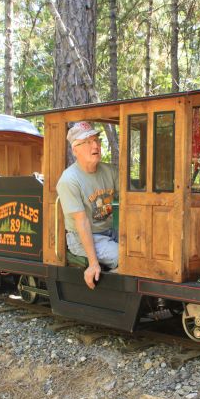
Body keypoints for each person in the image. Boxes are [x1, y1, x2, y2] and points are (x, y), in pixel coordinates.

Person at [57, 121, 119, 290]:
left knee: (143, 250)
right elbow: (81, 222)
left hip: (111, 231)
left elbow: (129, 202)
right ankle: (111, 290)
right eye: (88, 142)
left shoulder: (110, 171)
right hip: (83, 237)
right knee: (125, 257)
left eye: (96, 140)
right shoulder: (69, 180)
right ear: (75, 149)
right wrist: (93, 264)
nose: (95, 145)